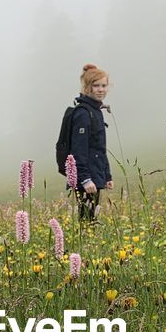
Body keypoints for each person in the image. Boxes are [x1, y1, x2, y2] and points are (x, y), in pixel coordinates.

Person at [69, 64, 113, 221]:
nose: (101, 89)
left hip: (95, 174)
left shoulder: (96, 111)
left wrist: (107, 176)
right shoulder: (83, 113)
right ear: (87, 88)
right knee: (87, 220)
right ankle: (83, 245)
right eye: (96, 86)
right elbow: (78, 150)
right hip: (85, 179)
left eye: (103, 85)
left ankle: (88, 243)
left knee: (91, 220)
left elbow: (99, 149)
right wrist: (85, 179)